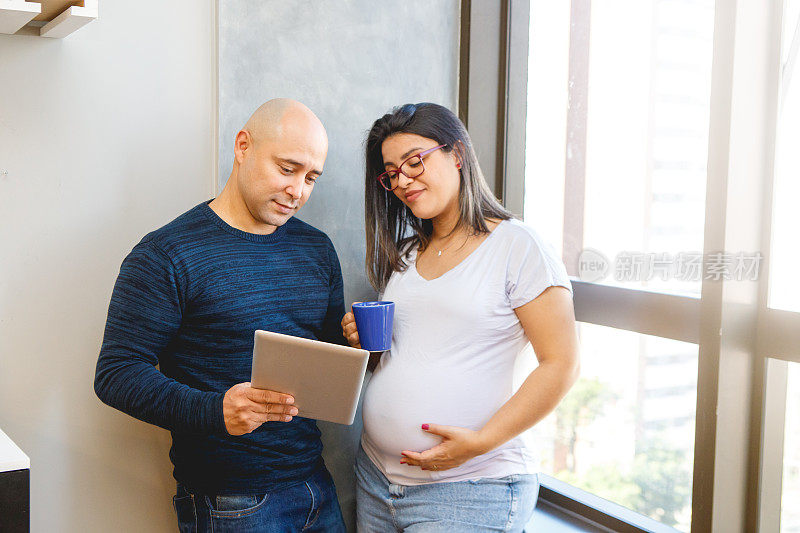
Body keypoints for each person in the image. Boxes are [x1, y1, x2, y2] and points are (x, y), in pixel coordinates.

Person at [94, 98, 347, 532]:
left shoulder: (317, 249)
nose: (298, 191)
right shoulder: (167, 254)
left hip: (315, 486)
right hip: (229, 502)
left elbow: (328, 359)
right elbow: (116, 373)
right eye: (287, 169)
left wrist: (355, 346)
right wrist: (215, 410)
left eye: (311, 178)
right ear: (243, 147)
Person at [341, 102, 580, 532]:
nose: (403, 181)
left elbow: (561, 363)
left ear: (457, 154)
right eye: (392, 173)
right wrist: (366, 344)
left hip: (470, 489)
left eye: (415, 162)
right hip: (377, 479)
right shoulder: (409, 254)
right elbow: (404, 355)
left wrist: (480, 443)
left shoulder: (518, 247)